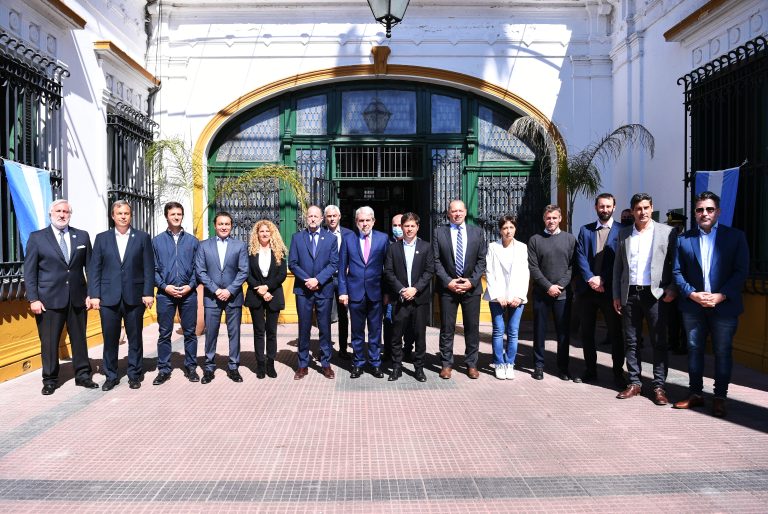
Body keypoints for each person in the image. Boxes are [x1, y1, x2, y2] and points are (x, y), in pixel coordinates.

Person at [672, 191, 749, 417]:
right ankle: (695, 394)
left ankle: (719, 397)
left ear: (718, 211)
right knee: (694, 350)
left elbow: (741, 271)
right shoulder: (683, 239)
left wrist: (721, 295)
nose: (704, 213)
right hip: (693, 306)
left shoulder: (735, 237)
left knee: (722, 351)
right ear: (694, 213)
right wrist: (692, 294)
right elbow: (676, 272)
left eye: (709, 209)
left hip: (723, 306)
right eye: (699, 210)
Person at [24, 199, 98, 395]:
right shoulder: (37, 238)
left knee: (79, 339)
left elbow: (90, 268)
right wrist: (33, 299)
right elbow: (29, 271)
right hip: (48, 300)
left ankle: (83, 375)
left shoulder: (82, 236)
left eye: (66, 211)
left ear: (70, 214)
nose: (62, 214)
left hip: (78, 298)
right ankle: (50, 379)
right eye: (58, 211)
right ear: (51, 214)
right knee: (49, 342)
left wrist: (92, 294)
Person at [613, 193, 677, 405]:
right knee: (631, 341)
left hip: (655, 294)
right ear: (632, 211)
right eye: (638, 209)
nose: (643, 212)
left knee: (659, 341)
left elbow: (675, 265)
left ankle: (658, 386)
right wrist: (616, 295)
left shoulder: (666, 232)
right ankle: (634, 382)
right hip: (630, 294)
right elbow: (618, 268)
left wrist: (672, 288)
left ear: (652, 208)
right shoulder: (624, 234)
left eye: (646, 208)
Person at [88, 200, 154, 391]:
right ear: (113, 216)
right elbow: (95, 269)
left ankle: (134, 374)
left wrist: (148, 292)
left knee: (135, 338)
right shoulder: (102, 238)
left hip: (134, 297)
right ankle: (111, 375)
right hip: (108, 298)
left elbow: (149, 267)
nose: (123, 216)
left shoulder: (142, 237)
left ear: (130, 216)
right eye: (119, 214)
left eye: (126, 213)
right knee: (110, 339)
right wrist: (94, 295)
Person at [574, 193, 625, 387]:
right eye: (601, 206)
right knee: (587, 333)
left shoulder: (623, 231)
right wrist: (590, 278)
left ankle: (618, 373)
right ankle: (590, 370)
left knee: (615, 334)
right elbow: (580, 256)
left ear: (614, 207)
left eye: (608, 206)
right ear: (596, 207)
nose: (605, 209)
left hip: (610, 292)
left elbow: (621, 261)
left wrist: (603, 278)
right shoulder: (585, 230)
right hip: (588, 292)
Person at [433, 199, 487, 379]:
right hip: (448, 288)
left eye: (460, 211)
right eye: (453, 211)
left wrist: (471, 281)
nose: (457, 214)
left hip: (471, 288)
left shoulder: (477, 232)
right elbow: (436, 261)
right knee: (447, 328)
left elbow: (481, 260)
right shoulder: (439, 232)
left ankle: (471, 364)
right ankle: (446, 364)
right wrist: (448, 282)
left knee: (472, 327)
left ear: (465, 212)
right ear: (448, 213)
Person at [196, 211, 248, 384]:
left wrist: (230, 290)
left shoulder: (240, 246)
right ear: (215, 225)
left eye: (227, 224)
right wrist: (216, 289)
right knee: (211, 333)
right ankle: (209, 368)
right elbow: (201, 271)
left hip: (233, 297)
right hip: (212, 297)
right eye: (220, 224)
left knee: (234, 334)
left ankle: (233, 367)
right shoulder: (203, 246)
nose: (224, 227)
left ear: (231, 226)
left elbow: (243, 271)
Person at [152, 201, 200, 385]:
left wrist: (191, 285)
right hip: (166, 294)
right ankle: (164, 370)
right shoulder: (156, 241)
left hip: (188, 293)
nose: (176, 217)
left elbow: (198, 268)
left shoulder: (192, 241)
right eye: (173, 214)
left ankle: (191, 367)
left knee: (190, 333)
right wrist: (164, 286)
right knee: (164, 333)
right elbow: (153, 269)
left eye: (179, 214)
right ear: (166, 216)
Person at [527, 205, 577, 381]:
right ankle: (539, 366)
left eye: (554, 218)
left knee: (563, 333)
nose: (551, 221)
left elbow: (572, 266)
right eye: (548, 218)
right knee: (539, 331)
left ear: (560, 218)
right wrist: (548, 286)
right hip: (541, 293)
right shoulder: (535, 240)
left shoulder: (570, 239)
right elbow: (533, 267)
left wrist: (560, 286)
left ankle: (563, 368)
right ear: (544, 219)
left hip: (562, 295)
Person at [383, 212, 434, 382]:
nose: (409, 229)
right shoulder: (393, 248)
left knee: (419, 335)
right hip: (400, 298)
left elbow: (429, 271)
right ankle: (396, 367)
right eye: (406, 226)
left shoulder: (426, 247)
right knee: (396, 335)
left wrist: (416, 289)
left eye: (413, 226)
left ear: (418, 227)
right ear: (401, 227)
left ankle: (419, 368)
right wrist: (402, 289)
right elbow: (388, 272)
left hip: (419, 300)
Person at [338, 206, 389, 379]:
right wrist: (343, 291)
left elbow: (388, 269)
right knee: (357, 332)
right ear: (356, 222)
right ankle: (358, 364)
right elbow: (341, 266)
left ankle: (375, 364)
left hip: (376, 293)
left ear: (373, 221)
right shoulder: (348, 239)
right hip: (355, 293)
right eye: (361, 220)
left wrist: (387, 293)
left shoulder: (383, 239)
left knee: (375, 331)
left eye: (368, 220)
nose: (364, 224)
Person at [289, 205, 338, 380]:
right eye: (310, 216)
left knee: (325, 327)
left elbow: (333, 264)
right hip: (303, 290)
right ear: (306, 218)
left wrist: (318, 280)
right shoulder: (297, 238)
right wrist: (307, 280)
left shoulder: (331, 239)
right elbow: (293, 263)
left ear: (321, 219)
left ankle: (325, 364)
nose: (312, 219)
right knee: (304, 327)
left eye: (316, 216)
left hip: (323, 289)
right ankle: (302, 364)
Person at [483, 215, 529, 380]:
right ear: (500, 230)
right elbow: (489, 272)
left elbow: (525, 274)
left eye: (511, 228)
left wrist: (519, 295)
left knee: (513, 331)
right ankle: (499, 363)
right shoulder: (492, 247)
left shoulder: (522, 247)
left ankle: (510, 363)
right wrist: (497, 295)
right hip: (497, 296)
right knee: (498, 330)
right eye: (505, 228)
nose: (508, 231)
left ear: (515, 229)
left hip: (517, 296)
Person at [245, 219, 287, 379]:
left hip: (273, 295)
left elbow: (282, 274)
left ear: (272, 233)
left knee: (271, 331)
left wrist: (267, 288)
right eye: (261, 231)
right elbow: (246, 274)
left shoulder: (279, 251)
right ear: (257, 233)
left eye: (267, 231)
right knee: (258, 331)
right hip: (256, 295)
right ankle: (260, 364)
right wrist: (261, 290)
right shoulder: (250, 251)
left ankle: (270, 363)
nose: (264, 234)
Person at [324, 204, 353, 360]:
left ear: (339, 217)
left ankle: (343, 349)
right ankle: (326, 348)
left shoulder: (349, 234)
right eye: (329, 216)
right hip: (327, 280)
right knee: (325, 315)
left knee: (343, 315)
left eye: (334, 216)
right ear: (325, 218)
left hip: (344, 280)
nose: (332, 218)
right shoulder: (322, 234)